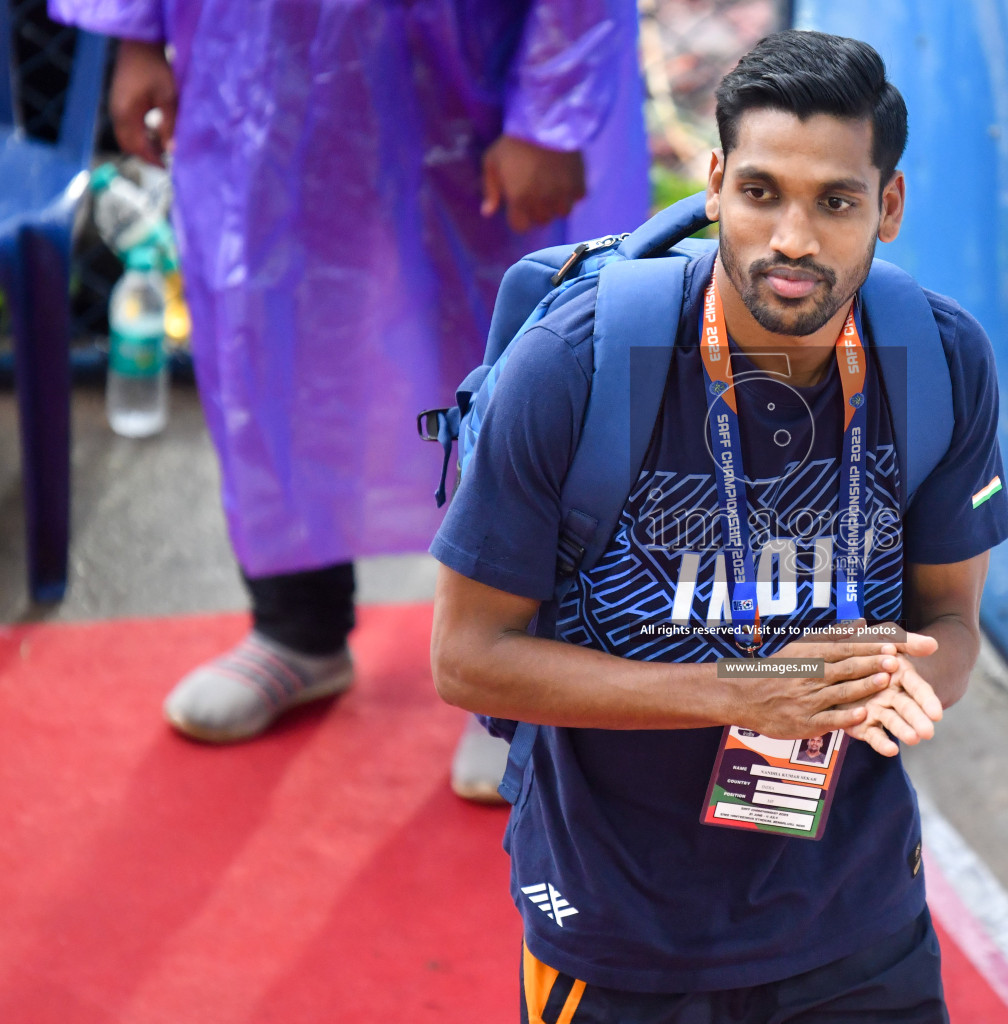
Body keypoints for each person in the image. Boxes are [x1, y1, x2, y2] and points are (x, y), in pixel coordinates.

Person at [430, 30, 1008, 1022]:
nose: (792, 236)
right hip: (621, 926)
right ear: (713, 185)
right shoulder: (575, 367)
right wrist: (744, 691)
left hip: (857, 917)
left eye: (835, 200)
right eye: (761, 192)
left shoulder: (939, 358)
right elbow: (468, 657)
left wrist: (902, 679)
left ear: (891, 207)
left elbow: (952, 620)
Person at [49, 0, 649, 795]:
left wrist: (551, 109)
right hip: (250, 60)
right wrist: (136, 32)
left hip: (468, 66)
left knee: (509, 351)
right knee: (268, 328)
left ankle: (519, 675)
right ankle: (296, 625)